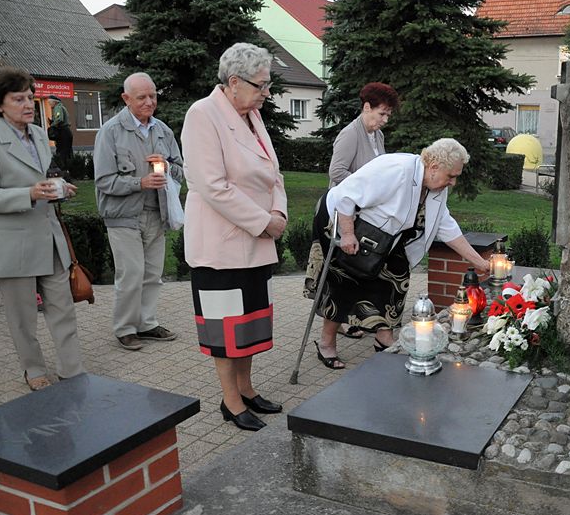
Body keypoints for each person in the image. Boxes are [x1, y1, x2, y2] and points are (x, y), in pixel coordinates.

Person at [182, 43, 287, 432]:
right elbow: (213, 186)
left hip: (256, 241)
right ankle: (230, 401)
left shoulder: (252, 116)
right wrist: (264, 222)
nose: (267, 93)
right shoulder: (203, 115)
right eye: (261, 85)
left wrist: (278, 213)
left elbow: (274, 174)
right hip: (221, 245)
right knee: (226, 328)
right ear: (234, 81)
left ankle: (246, 388)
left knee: (250, 324)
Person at [314, 138, 490, 369]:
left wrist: (480, 262)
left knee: (396, 276)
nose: (453, 182)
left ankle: (384, 337)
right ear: (434, 166)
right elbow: (346, 196)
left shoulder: (435, 188)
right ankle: (326, 343)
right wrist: (347, 234)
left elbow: (446, 227)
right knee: (345, 281)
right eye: (451, 176)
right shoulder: (396, 170)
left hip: (383, 235)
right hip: (342, 220)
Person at [0, 67, 84, 390]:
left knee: (63, 309)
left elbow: (43, 176)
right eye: (18, 99)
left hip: (50, 238)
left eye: (30, 98)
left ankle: (72, 371)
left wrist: (60, 188)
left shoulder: (37, 133)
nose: (27, 105)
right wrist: (29, 194)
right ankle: (33, 370)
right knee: (22, 317)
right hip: (13, 244)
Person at [303, 82, 400, 343]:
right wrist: (366, 190)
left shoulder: (377, 135)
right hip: (337, 213)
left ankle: (345, 320)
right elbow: (336, 172)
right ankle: (333, 326)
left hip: (362, 213)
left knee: (354, 271)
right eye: (382, 113)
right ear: (366, 107)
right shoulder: (350, 134)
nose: (385, 119)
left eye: (388, 114)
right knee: (339, 273)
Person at [93, 72, 183, 350]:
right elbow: (104, 181)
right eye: (142, 97)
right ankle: (125, 328)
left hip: (157, 213)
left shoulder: (163, 130)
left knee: (153, 274)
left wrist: (167, 167)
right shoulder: (110, 131)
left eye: (153, 96)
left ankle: (147, 323)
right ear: (126, 99)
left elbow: (182, 171)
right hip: (123, 216)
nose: (149, 102)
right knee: (131, 274)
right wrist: (139, 183)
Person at [46, 95, 73, 169]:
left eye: (50, 102)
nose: (49, 104)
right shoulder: (62, 107)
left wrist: (52, 125)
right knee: (67, 151)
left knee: (62, 151)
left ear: (54, 102)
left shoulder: (57, 107)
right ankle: (69, 168)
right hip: (66, 131)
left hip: (63, 131)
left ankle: (63, 168)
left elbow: (59, 119)